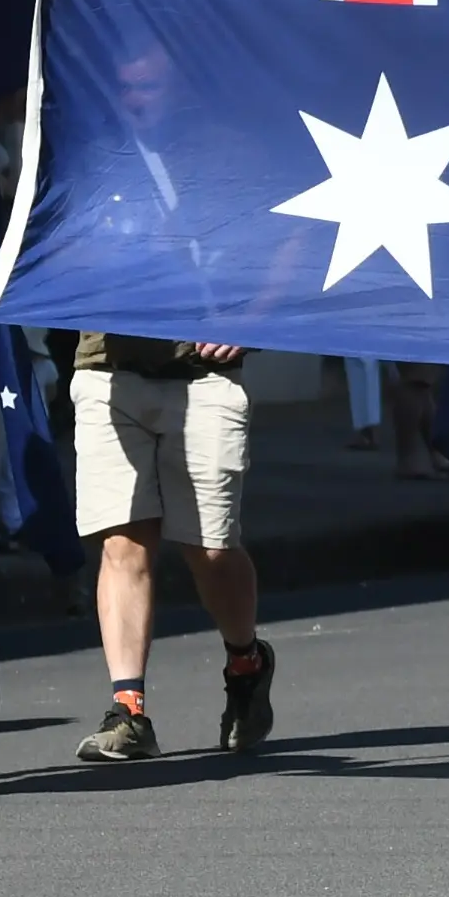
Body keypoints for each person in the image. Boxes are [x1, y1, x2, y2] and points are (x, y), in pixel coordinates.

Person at [66, 323, 272, 762]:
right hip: (107, 370)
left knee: (210, 549)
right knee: (123, 542)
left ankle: (246, 664)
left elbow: (280, 256)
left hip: (206, 374)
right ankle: (128, 711)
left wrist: (254, 319)